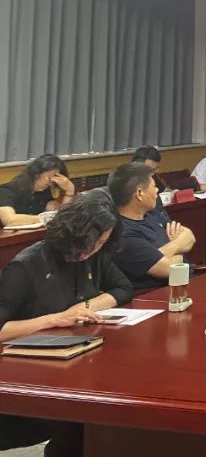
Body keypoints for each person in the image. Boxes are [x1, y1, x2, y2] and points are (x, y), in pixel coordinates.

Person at [0, 192, 133, 457]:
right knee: (85, 419)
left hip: (73, 360)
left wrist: (84, 308)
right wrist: (53, 319)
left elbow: (123, 288)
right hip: (28, 376)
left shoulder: (94, 255)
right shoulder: (27, 266)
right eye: (91, 242)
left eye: (101, 242)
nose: (93, 249)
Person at [107, 163, 196, 290]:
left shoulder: (151, 214)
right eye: (154, 186)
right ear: (140, 193)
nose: (157, 190)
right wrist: (178, 248)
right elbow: (168, 269)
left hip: (184, 281)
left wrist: (161, 254)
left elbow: (190, 236)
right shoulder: (123, 234)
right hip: (156, 293)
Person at [0, 153, 76, 228]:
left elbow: (60, 216)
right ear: (36, 173)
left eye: (55, 179)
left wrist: (69, 191)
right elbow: (9, 220)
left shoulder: (44, 191)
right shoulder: (6, 191)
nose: (51, 183)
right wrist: (43, 218)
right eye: (49, 178)